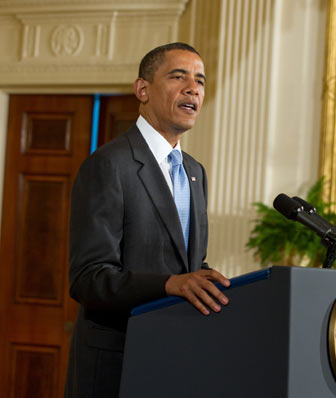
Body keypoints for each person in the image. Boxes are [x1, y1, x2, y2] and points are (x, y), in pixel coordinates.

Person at [65, 42, 230, 398]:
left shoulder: (194, 172)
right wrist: (170, 284)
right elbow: (88, 279)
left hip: (176, 360)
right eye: (178, 76)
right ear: (142, 89)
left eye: (200, 81)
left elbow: (187, 264)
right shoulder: (110, 165)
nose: (193, 88)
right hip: (119, 364)